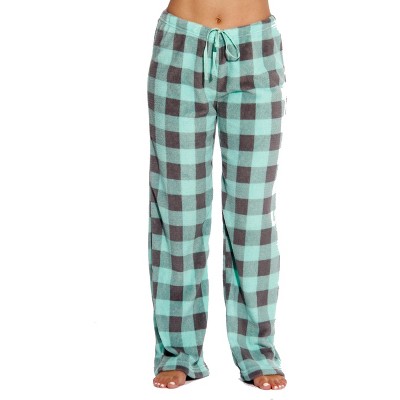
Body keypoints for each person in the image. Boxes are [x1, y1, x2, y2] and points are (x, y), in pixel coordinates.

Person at [147, 0, 287, 390]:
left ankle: (258, 351)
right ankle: (178, 352)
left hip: (256, 49)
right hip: (181, 46)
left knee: (253, 216)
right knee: (178, 212)